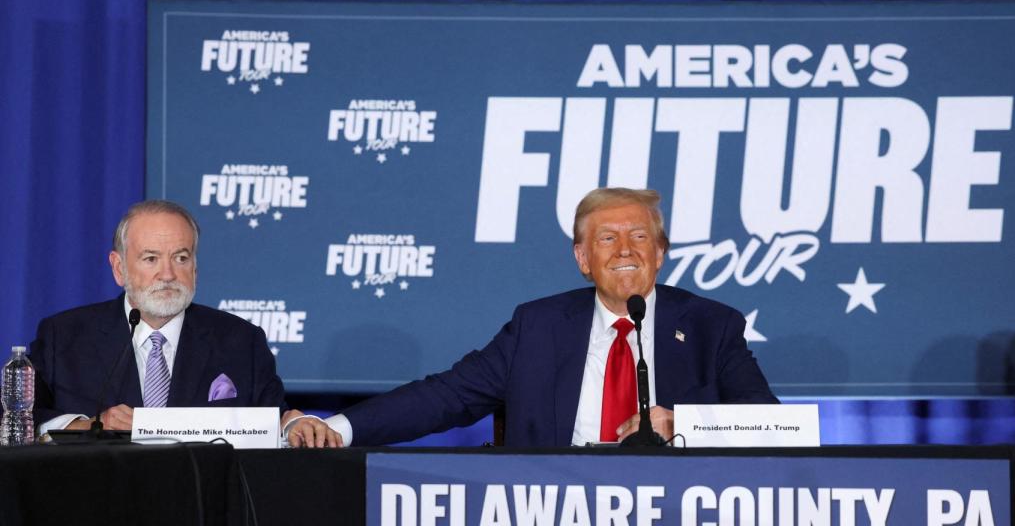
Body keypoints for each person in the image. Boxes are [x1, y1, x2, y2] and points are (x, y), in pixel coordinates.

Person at [328, 187, 777, 447]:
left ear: (659, 254)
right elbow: (447, 396)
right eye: (606, 239)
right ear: (583, 259)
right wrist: (337, 429)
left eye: (640, 236)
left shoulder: (710, 327)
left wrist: (682, 425)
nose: (625, 249)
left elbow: (771, 425)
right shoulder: (538, 327)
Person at [30, 200, 341, 448]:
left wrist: (294, 424)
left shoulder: (241, 341)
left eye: (181, 258)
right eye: (151, 259)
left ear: (195, 265)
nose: (168, 274)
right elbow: (18, 417)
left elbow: (274, 419)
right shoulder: (65, 336)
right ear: (119, 267)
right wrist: (85, 427)